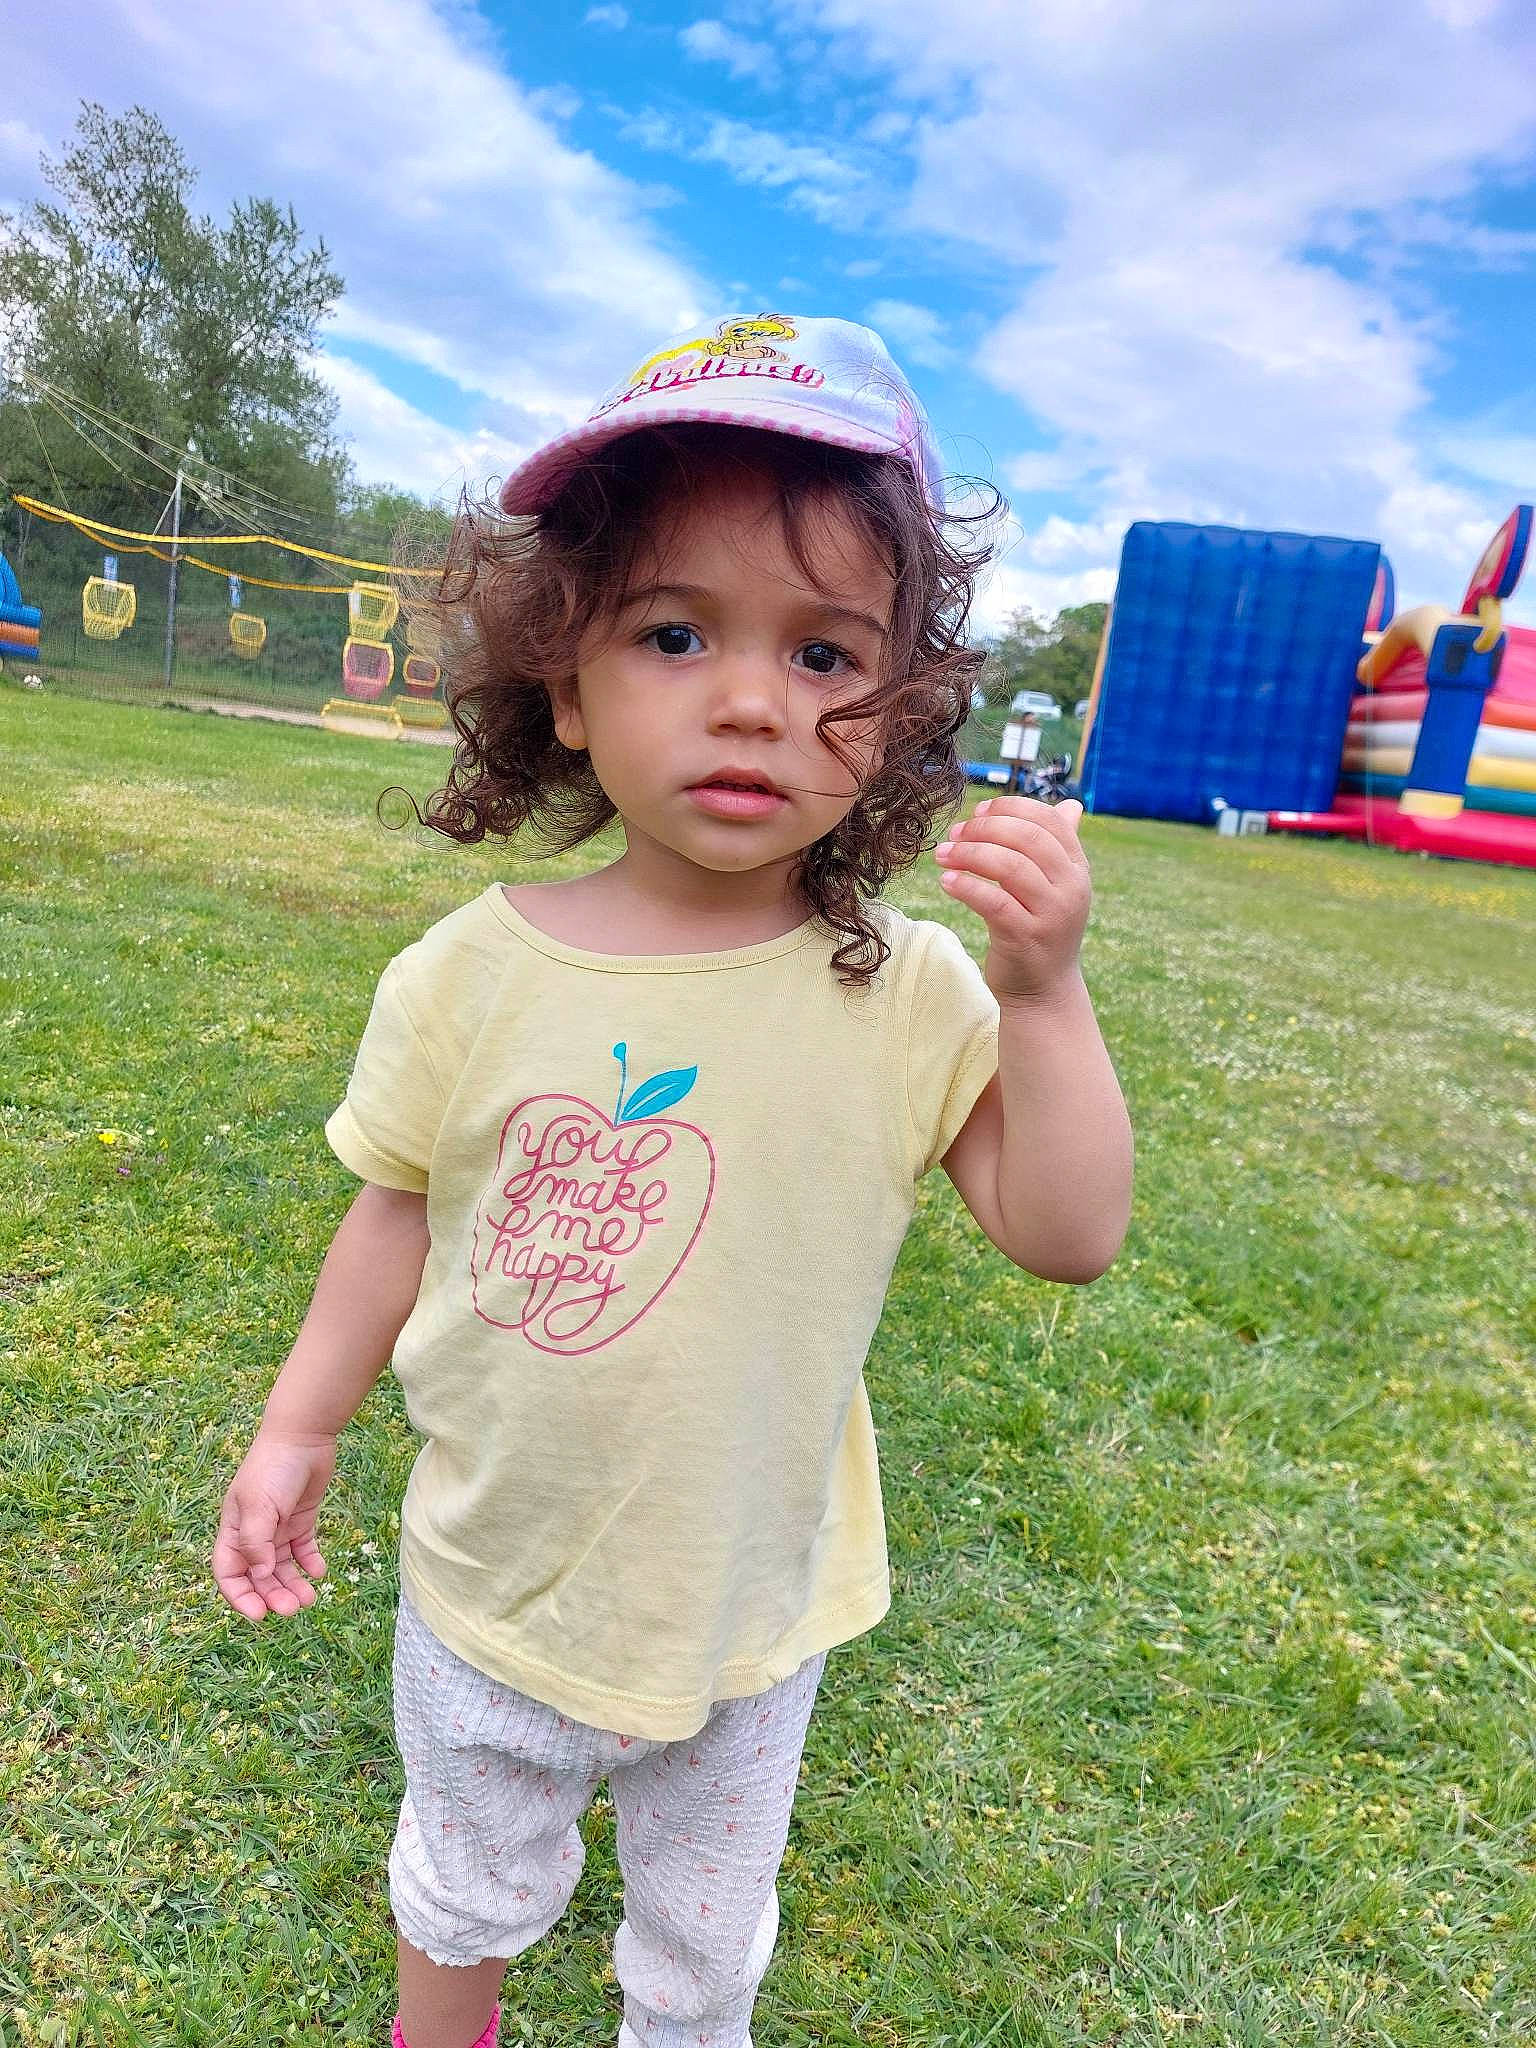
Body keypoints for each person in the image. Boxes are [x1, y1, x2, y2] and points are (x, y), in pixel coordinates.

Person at [212, 313, 1134, 2048]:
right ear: (562, 679)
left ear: (903, 716)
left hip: (750, 1615)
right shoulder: (466, 976)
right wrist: (297, 1426)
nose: (749, 699)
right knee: (463, 1893)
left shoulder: (912, 991)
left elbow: (1069, 1235)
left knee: (704, 1965)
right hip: (493, 1582)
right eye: (676, 630)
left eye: (825, 657)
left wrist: (1045, 995)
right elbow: (394, 1212)